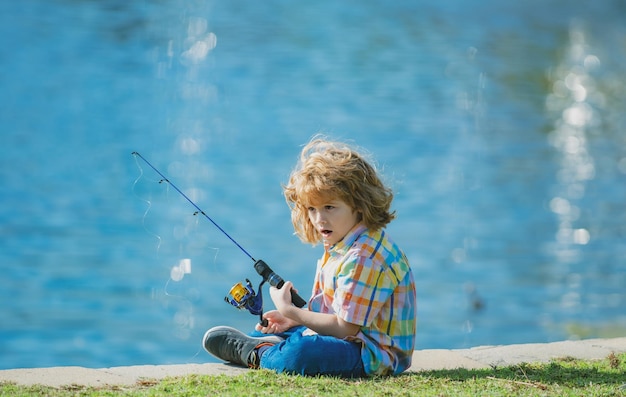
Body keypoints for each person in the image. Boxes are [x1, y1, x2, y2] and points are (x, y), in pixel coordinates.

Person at [202, 137, 416, 377]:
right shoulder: (344, 240)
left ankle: (261, 353)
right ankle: (270, 343)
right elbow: (335, 310)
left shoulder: (362, 257)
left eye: (329, 207)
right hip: (348, 337)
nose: (319, 219)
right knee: (278, 334)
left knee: (302, 353)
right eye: (312, 209)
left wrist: (290, 310)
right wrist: (294, 321)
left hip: (372, 355)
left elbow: (345, 326)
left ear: (359, 205)